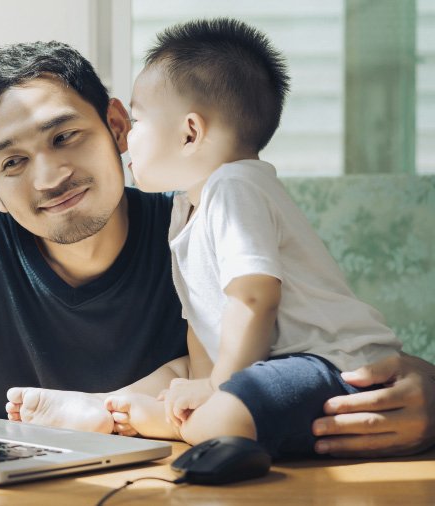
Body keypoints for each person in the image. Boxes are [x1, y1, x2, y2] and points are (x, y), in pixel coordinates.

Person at [0, 39, 435, 457]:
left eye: (65, 136)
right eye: (13, 163)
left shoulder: (200, 220)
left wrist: (428, 394)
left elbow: (324, 343)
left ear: (118, 127)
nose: (51, 176)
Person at [100, 18, 407, 458]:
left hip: (339, 365)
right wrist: (206, 386)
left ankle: (183, 427)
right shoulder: (186, 211)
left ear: (190, 132)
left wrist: (218, 388)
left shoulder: (234, 186)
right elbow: (202, 325)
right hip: (283, 370)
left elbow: (254, 299)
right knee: (220, 407)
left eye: (137, 117)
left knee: (226, 414)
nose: (126, 137)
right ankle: (203, 425)